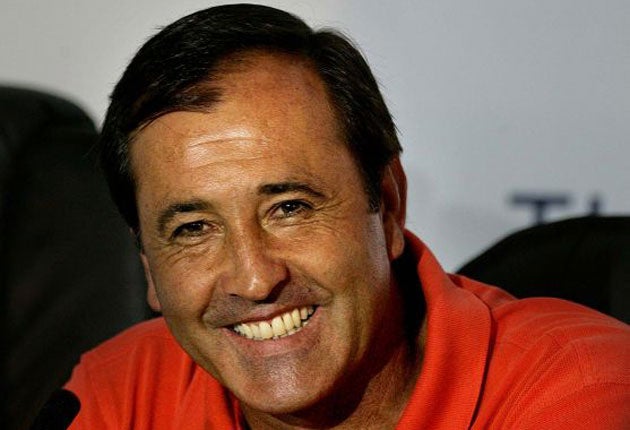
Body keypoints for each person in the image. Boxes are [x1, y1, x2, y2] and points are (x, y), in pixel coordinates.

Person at [61, 4, 629, 429]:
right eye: (193, 230)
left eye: (289, 208)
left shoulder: (580, 389)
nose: (254, 280)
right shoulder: (118, 394)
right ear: (148, 264)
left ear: (388, 205)